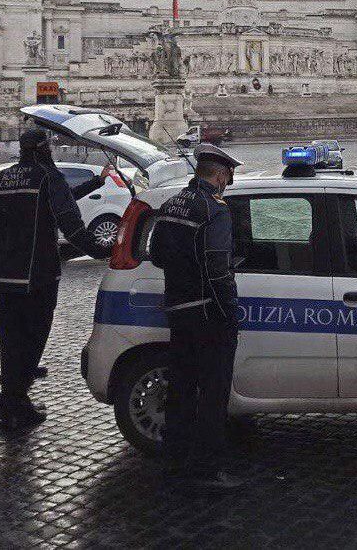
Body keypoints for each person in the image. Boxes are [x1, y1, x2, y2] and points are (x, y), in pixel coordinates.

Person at [0, 127, 108, 429]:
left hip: (5, 274)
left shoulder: (2, 178)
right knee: (33, 339)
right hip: (38, 273)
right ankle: (16, 402)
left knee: (10, 339)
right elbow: (71, 224)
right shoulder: (48, 177)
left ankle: (9, 401)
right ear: (45, 149)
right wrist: (99, 250)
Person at [148, 143, 245, 490]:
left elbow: (156, 254)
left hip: (178, 308)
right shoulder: (214, 209)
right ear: (219, 175)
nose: (228, 183)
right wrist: (229, 313)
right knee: (213, 394)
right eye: (228, 177)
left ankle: (174, 462)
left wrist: (183, 272)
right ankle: (205, 469)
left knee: (182, 390)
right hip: (208, 313)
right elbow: (218, 270)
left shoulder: (171, 203)